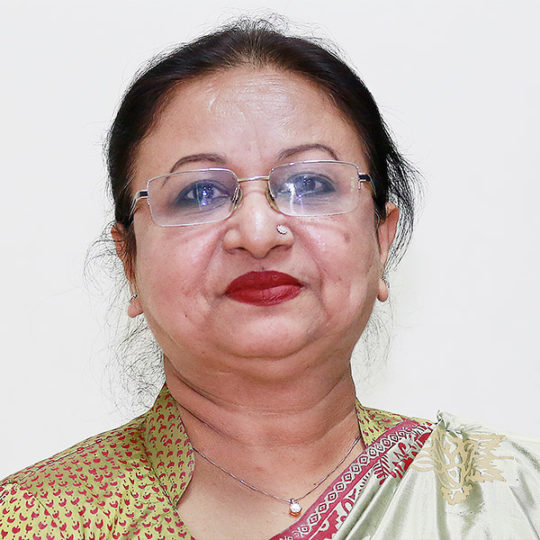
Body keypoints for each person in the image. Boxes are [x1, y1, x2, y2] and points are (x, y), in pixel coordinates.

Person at [1, 19, 539, 540]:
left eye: (310, 184)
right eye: (198, 193)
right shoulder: (33, 522)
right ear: (130, 263)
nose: (258, 233)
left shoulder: (509, 498)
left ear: (381, 241)